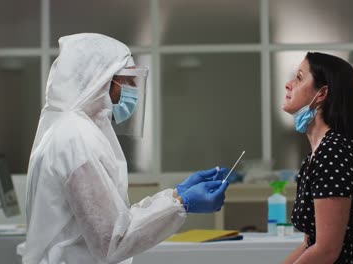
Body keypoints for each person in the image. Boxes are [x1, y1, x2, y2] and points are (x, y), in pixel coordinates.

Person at [19, 33, 229, 264]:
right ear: (99, 80)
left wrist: (176, 195)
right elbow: (112, 240)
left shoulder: (69, 131)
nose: (134, 90)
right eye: (127, 80)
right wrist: (182, 204)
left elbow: (114, 219)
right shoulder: (76, 139)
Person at [282, 52, 353, 264]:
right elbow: (309, 244)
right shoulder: (316, 154)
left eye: (299, 77)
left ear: (321, 94)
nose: (288, 84)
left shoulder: (333, 153)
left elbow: (326, 251)